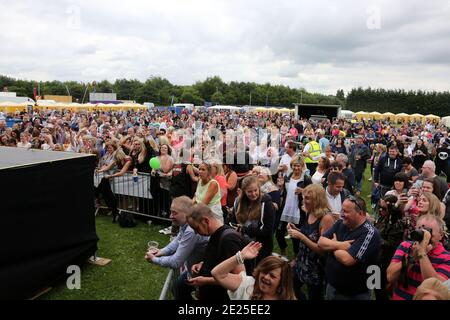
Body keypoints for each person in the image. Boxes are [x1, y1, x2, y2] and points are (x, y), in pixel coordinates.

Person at [144, 196, 209, 300]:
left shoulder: (190, 230)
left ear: (187, 213)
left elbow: (176, 262)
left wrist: (154, 259)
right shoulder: (186, 225)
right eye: (171, 212)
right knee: (177, 288)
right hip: (194, 271)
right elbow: (176, 241)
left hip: (204, 275)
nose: (170, 216)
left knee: (180, 289)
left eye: (174, 213)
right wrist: (160, 252)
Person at [318, 196, 381, 300]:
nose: (342, 214)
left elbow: (347, 259)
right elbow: (320, 242)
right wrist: (340, 245)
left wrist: (332, 245)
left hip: (354, 294)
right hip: (332, 287)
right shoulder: (340, 224)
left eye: (346, 211)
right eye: (342, 210)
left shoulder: (370, 233)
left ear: (360, 213)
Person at [186, 203, 246, 301]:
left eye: (196, 228)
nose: (196, 233)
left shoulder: (229, 240)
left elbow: (239, 278)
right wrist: (202, 264)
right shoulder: (214, 234)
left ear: (206, 221)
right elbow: (220, 260)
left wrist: (205, 281)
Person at [287, 184, 335, 300]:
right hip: (302, 262)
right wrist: (296, 230)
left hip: (316, 268)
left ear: (317, 200)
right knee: (289, 287)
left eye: (308, 198)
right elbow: (309, 234)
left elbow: (323, 250)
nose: (304, 200)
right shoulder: (310, 212)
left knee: (314, 296)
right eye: (304, 197)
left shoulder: (326, 218)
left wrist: (301, 236)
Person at [387, 214, 450, 300]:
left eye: (428, 231)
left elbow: (434, 289)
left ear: (441, 235)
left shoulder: (446, 257)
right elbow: (390, 277)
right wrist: (412, 257)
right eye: (420, 230)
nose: (423, 235)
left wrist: (422, 253)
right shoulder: (405, 246)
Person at [211, 241, 296, 300]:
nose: (265, 277)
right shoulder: (248, 284)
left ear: (282, 280)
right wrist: (241, 256)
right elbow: (217, 274)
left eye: (272, 276)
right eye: (264, 271)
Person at [231, 175, 276, 264]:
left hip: (260, 246)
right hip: (241, 244)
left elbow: (267, 230)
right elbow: (233, 220)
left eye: (255, 190)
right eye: (249, 192)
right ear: (244, 191)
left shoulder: (266, 203)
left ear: (259, 189)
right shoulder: (238, 201)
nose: (253, 194)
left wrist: (245, 229)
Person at [278, 156, 312, 256]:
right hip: (285, 208)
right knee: (279, 233)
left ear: (302, 166)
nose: (296, 168)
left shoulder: (306, 179)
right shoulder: (287, 177)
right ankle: (283, 252)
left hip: (298, 210)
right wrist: (280, 187)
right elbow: (284, 192)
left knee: (295, 235)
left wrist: (303, 191)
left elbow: (313, 193)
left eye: (298, 166)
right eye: (294, 165)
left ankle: (296, 256)